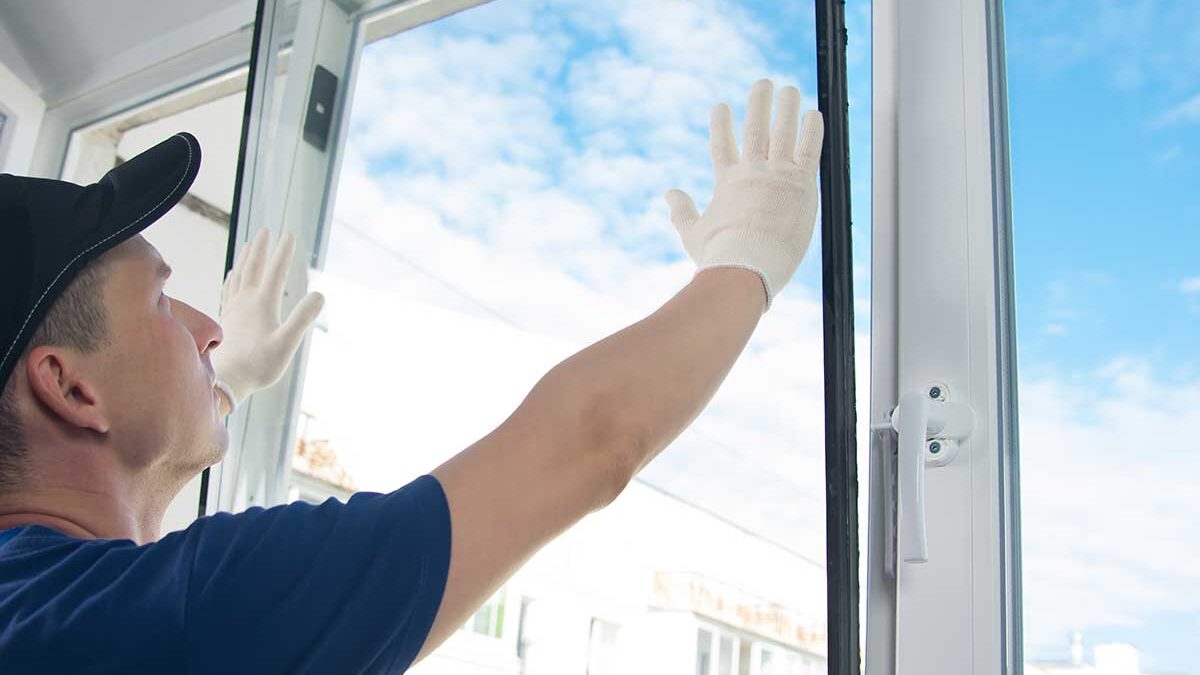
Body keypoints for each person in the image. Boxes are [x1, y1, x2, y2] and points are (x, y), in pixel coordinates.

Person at [0, 78, 822, 673]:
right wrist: (743, 262)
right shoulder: (170, 615)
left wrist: (226, 387)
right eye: (164, 301)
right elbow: (588, 442)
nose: (209, 326)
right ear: (70, 388)